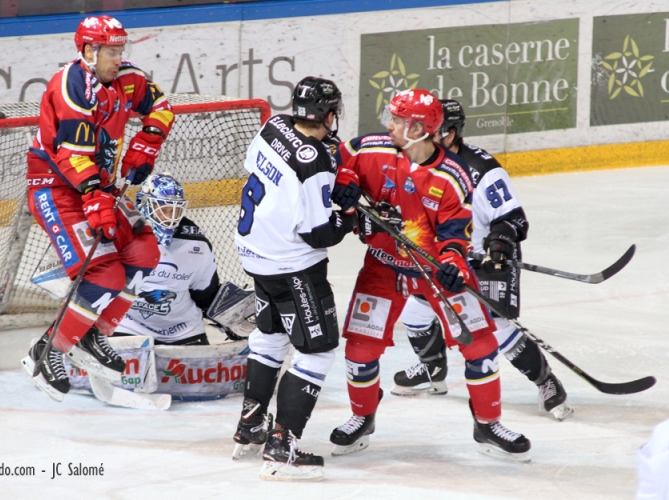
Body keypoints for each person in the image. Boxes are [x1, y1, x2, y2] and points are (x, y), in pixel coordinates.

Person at [329, 89, 531, 461]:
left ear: (420, 129)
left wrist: (453, 265)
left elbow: (455, 235)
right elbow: (338, 155)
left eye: (399, 121)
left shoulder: (452, 177)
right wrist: (343, 179)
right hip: (383, 265)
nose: (389, 125)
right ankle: (363, 417)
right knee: (360, 349)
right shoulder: (371, 149)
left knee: (482, 346)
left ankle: (487, 424)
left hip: (434, 270)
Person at [21, 15, 173, 402]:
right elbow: (72, 157)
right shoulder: (71, 86)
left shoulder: (128, 78)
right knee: (104, 274)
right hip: (57, 189)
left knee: (144, 252)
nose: (118, 58)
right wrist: (96, 200)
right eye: (111, 51)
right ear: (88, 51)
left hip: (97, 187)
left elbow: (162, 107)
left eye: (121, 50)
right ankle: (48, 350)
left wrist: (148, 141)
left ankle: (90, 335)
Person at [392, 99, 573, 421]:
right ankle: (433, 369)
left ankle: (545, 381)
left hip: (486, 258)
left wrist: (500, 242)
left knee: (496, 327)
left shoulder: (482, 170)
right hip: (441, 258)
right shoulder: (412, 160)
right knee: (413, 314)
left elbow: (514, 218)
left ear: (450, 133)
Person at [231, 76, 359, 481]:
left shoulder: (273, 126)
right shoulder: (315, 164)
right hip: (293, 267)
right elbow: (319, 232)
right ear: (327, 113)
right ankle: (281, 445)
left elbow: (301, 173)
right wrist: (349, 215)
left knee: (270, 338)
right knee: (317, 350)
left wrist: (332, 183)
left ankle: (251, 425)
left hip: (256, 255)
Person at [112, 173, 221, 345]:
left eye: (175, 210)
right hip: (128, 324)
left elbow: (206, 292)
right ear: (145, 206)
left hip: (183, 329)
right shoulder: (122, 235)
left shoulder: (195, 244)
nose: (170, 218)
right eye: (163, 210)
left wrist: (224, 315)